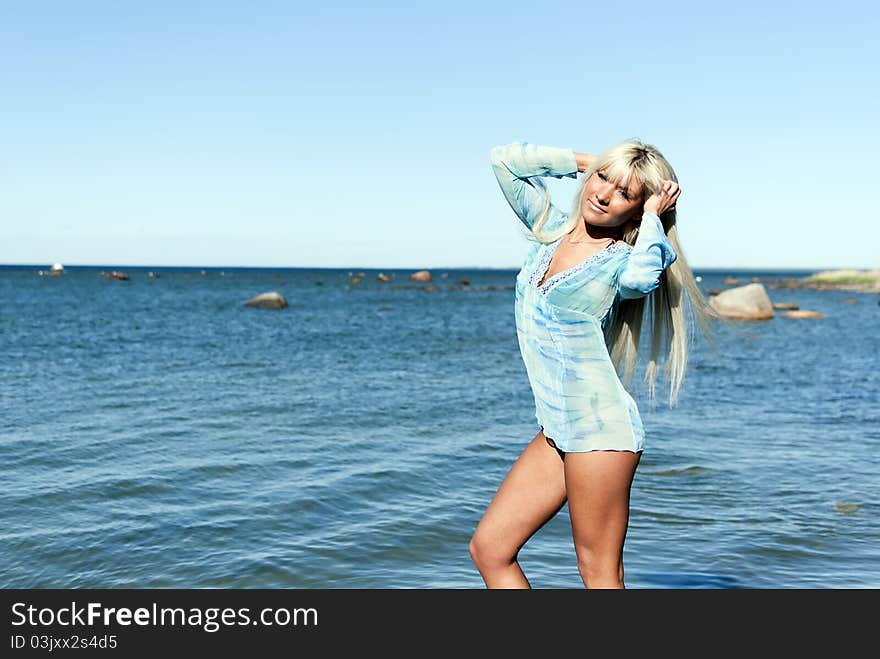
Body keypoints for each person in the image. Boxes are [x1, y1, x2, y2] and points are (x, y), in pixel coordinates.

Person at [469, 140, 717, 589]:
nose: (603, 195)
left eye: (624, 194)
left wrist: (651, 220)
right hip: (556, 429)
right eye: (603, 181)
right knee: (490, 549)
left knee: (598, 572)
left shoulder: (620, 262)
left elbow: (644, 277)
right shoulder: (549, 230)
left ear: (636, 210)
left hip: (600, 433)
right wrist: (592, 164)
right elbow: (503, 162)